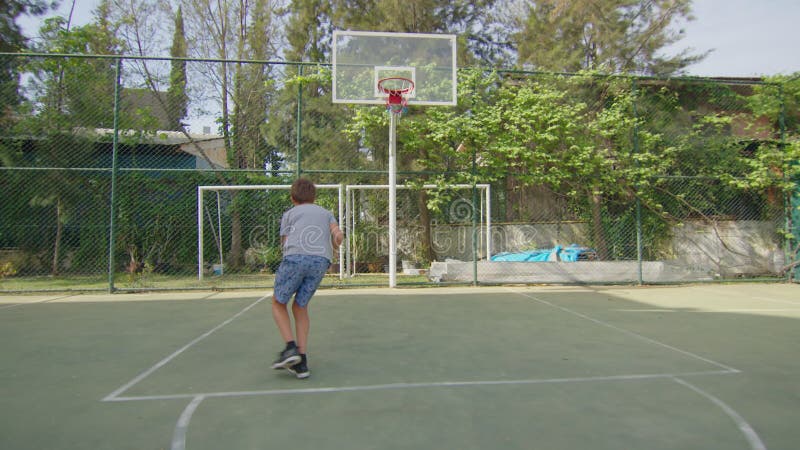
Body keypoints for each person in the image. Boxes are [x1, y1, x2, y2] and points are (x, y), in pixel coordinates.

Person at [270, 178, 343, 379]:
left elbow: (285, 243)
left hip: (295, 258)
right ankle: (301, 362)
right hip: (320, 262)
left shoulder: (289, 214)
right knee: (300, 306)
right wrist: (336, 240)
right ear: (314, 197)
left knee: (278, 302)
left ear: (293, 198)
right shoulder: (326, 213)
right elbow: (337, 234)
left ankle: (291, 348)